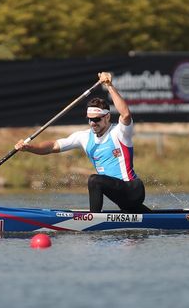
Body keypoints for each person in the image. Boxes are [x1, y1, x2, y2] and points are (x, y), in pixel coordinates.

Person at [15, 71, 150, 213]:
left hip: (132, 190)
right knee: (146, 217)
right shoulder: (84, 137)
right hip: (119, 197)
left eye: (97, 119)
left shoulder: (120, 133)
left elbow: (126, 114)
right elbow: (53, 146)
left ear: (107, 117)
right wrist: (29, 147)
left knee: (94, 180)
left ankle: (92, 220)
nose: (93, 123)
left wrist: (109, 85)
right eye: (90, 119)